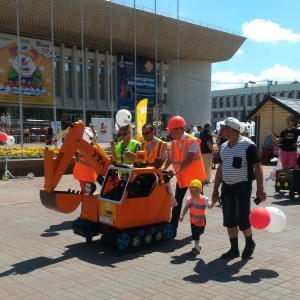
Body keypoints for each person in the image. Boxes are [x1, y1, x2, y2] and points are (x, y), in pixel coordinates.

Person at [211, 117, 266, 259]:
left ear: (230, 130)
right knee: (229, 218)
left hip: (242, 186)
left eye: (222, 128)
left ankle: (249, 243)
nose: (220, 131)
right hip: (227, 187)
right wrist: (215, 189)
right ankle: (234, 249)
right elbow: (220, 169)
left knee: (242, 218)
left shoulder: (248, 145)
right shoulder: (223, 146)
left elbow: (258, 167)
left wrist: (260, 189)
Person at [163, 116, 207, 235]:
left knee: (199, 202)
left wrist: (177, 171)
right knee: (177, 202)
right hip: (182, 178)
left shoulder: (193, 141)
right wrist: (163, 169)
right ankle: (173, 227)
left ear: (179, 129)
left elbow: (189, 159)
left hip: (195, 178)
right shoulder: (173, 143)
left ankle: (200, 226)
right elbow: (169, 159)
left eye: (172, 132)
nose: (171, 135)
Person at [179, 179, 214, 255]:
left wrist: (213, 202)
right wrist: (182, 215)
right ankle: (196, 248)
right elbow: (186, 208)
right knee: (195, 235)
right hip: (193, 221)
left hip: (201, 220)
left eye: (195, 191)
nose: (193, 193)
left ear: (200, 190)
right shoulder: (189, 199)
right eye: (191, 191)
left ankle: (197, 245)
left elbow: (210, 206)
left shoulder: (204, 199)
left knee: (200, 232)